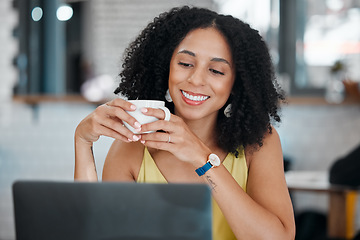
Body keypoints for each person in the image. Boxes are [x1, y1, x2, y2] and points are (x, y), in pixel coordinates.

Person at [74, 6, 295, 239]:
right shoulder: (132, 148)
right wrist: (82, 142)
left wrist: (202, 158)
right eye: (186, 64)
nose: (196, 79)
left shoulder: (259, 143)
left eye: (216, 71)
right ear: (165, 66)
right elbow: (99, 232)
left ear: (236, 84)